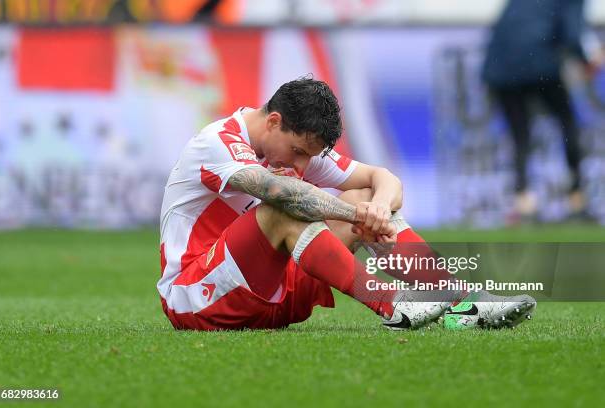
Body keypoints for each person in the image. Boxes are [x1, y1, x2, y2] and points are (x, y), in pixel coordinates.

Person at [157, 77, 535, 331]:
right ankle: (391, 303)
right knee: (285, 207)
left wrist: (378, 209)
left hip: (271, 295)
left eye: (310, 155)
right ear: (273, 122)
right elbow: (282, 194)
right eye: (299, 152)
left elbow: (383, 179)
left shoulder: (291, 146)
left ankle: (463, 305)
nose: (303, 165)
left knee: (364, 196)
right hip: (196, 297)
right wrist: (358, 216)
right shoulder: (217, 142)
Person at [482, 0, 603, 220]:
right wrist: (589, 59)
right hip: (537, 61)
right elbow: (573, 33)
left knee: (520, 134)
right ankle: (576, 199)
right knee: (568, 123)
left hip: (499, 64)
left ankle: (523, 202)